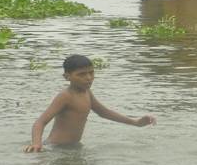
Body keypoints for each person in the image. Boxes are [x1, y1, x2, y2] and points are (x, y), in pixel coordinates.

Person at [24, 55, 156, 152]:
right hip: (56, 148)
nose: (88, 78)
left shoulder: (87, 92)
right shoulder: (65, 96)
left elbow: (104, 112)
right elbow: (40, 122)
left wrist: (135, 122)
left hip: (73, 147)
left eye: (91, 72)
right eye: (81, 74)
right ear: (67, 77)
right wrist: (37, 143)